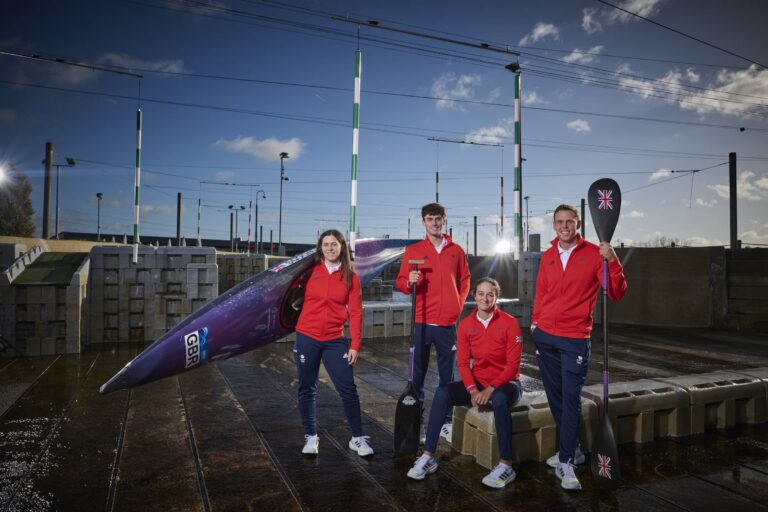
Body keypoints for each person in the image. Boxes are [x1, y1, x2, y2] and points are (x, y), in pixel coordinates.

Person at [532, 204, 627, 490]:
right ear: (554, 225)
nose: (564, 226)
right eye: (559, 222)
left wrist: (612, 260)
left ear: (578, 223)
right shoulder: (548, 256)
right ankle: (570, 450)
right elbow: (541, 292)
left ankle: (566, 463)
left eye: (569, 221)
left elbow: (617, 292)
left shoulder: (593, 254)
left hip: (574, 338)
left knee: (571, 400)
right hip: (545, 336)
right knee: (556, 398)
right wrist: (535, 324)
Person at [407, 277, 523, 488]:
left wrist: (491, 388)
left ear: (497, 296)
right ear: (474, 296)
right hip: (478, 382)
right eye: (481, 294)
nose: (485, 298)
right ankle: (427, 456)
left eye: (490, 294)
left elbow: (512, 367)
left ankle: (506, 465)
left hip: (507, 384)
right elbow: (462, 363)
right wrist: (471, 389)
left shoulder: (510, 323)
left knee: (498, 399)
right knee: (443, 392)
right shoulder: (466, 325)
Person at [294, 229, 373, 457]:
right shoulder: (309, 273)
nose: (330, 248)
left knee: (348, 389)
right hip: (306, 337)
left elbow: (356, 313)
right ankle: (311, 437)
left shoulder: (351, 277)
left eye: (334, 244)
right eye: (326, 244)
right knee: (307, 388)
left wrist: (355, 344)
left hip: (334, 340)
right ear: (320, 249)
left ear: (341, 248)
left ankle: (357, 439)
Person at [396, 203, 471, 443]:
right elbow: (400, 282)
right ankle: (417, 421)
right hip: (421, 322)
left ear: (444, 220)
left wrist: (457, 306)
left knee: (447, 376)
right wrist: (409, 281)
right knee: (417, 375)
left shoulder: (456, 251)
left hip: (447, 324)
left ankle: (446, 422)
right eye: (430, 219)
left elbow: (465, 280)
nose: (434, 223)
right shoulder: (414, 250)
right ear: (423, 222)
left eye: (438, 218)